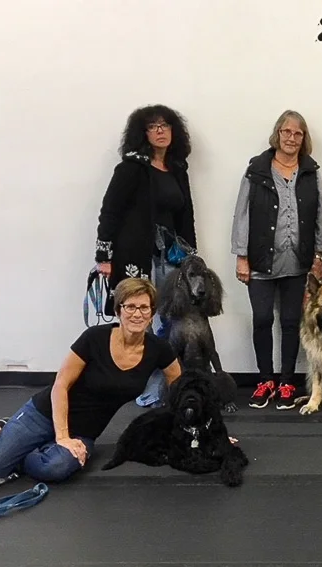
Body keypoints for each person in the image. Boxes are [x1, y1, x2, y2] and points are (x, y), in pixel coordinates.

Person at [0, 278, 182, 485]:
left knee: (55, 469)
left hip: (83, 432)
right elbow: (61, 384)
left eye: (144, 307)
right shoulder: (94, 338)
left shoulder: (159, 349)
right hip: (43, 415)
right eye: (130, 307)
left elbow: (180, 387)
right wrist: (62, 437)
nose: (137, 314)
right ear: (118, 310)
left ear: (152, 313)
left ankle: (20, 451)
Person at [93, 104, 197, 406]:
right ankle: (137, 386)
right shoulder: (130, 168)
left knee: (175, 319)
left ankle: (163, 384)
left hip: (171, 257)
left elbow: (186, 215)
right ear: (143, 133)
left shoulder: (177, 169)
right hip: (134, 256)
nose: (160, 131)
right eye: (153, 126)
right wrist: (104, 256)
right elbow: (110, 212)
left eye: (165, 125)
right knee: (138, 319)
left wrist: (192, 257)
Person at [231, 110, 322, 410]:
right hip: (260, 261)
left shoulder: (311, 172)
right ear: (277, 134)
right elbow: (242, 213)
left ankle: (286, 381)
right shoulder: (257, 170)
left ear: (304, 138)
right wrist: (242, 256)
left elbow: (320, 215)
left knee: (290, 322)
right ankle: (265, 380)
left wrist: (320, 255)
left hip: (297, 263)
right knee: (262, 319)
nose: (292, 138)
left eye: (298, 133)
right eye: (287, 131)